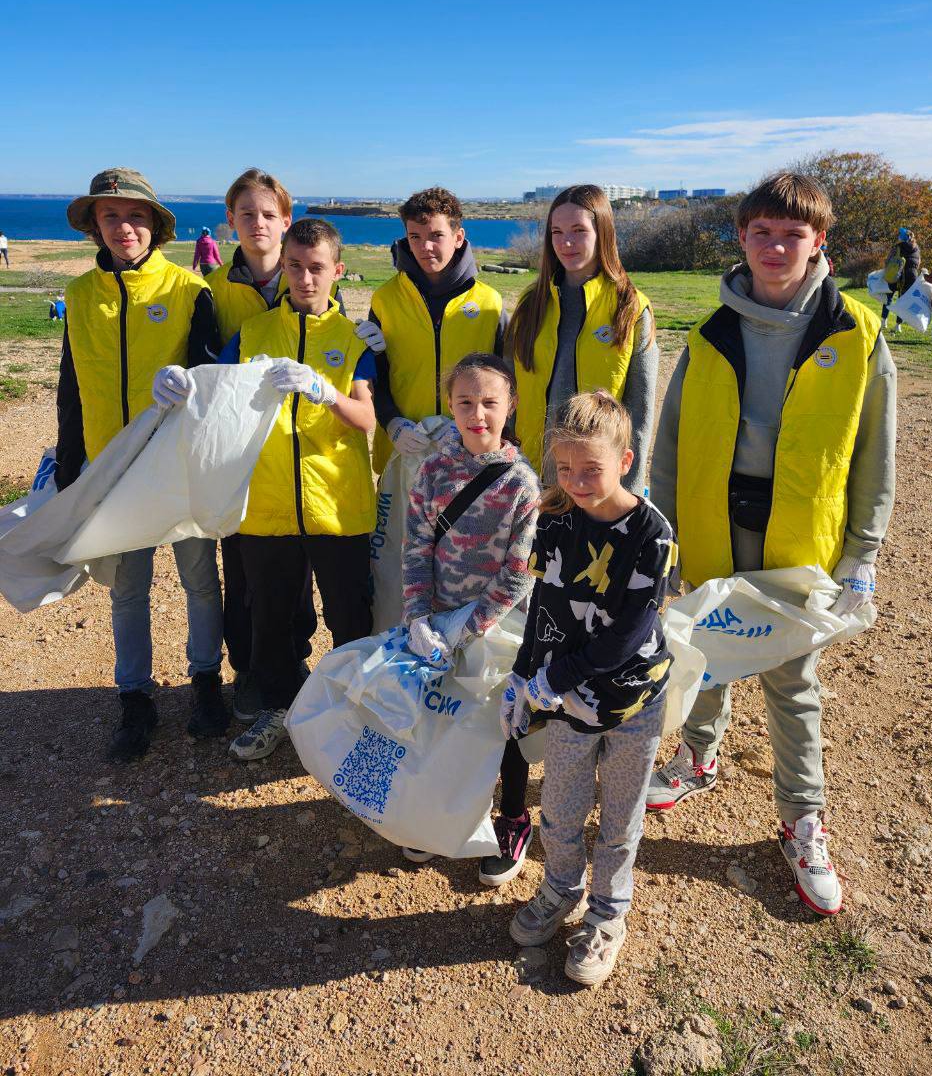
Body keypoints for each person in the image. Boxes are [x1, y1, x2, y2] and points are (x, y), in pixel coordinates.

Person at [646, 171, 897, 916]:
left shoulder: (856, 332)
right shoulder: (710, 332)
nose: (776, 247)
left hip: (801, 542)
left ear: (819, 243)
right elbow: (671, 441)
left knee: (793, 685)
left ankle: (802, 816)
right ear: (743, 240)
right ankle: (698, 754)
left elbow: (876, 455)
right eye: (762, 233)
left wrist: (865, 555)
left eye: (793, 235)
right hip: (714, 529)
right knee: (707, 658)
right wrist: (661, 540)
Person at [503, 391, 675, 987]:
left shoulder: (652, 533)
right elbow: (543, 604)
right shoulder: (553, 518)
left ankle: (607, 913)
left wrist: (555, 677)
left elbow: (627, 635)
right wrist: (524, 674)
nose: (576, 481)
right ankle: (560, 888)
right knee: (561, 805)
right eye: (566, 469)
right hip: (566, 701)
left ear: (625, 460)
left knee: (622, 816)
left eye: (592, 470)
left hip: (630, 700)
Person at [56, 168, 226, 761]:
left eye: (135, 216)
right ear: (95, 227)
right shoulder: (79, 297)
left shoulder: (187, 289)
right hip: (112, 468)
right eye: (111, 217)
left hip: (176, 469)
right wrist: (70, 465)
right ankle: (135, 697)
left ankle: (207, 681)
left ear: (154, 224)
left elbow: (210, 383)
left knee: (200, 581)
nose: (124, 227)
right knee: (127, 589)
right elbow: (70, 387)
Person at [205, 169, 373, 725]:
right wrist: (183, 384)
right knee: (271, 621)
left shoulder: (353, 341)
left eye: (317, 268)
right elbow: (214, 392)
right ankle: (276, 715)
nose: (304, 278)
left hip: (337, 507)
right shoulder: (253, 335)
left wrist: (326, 392)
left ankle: (354, 715)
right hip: (268, 506)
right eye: (296, 267)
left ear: (337, 272)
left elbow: (366, 417)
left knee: (350, 619)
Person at [400, 353, 540, 883]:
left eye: (489, 402)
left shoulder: (522, 484)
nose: (476, 413)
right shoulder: (433, 472)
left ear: (510, 406)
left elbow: (518, 573)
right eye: (465, 402)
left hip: (501, 628)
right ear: (450, 406)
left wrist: (470, 624)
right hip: (437, 623)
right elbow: (415, 548)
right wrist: (418, 617)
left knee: (504, 723)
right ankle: (445, 812)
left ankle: (512, 816)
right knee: (443, 717)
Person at [507, 185, 658, 495]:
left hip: (595, 484)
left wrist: (626, 496)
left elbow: (639, 415)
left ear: (602, 232)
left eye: (579, 230)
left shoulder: (630, 308)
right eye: (557, 232)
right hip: (529, 478)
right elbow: (509, 396)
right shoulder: (530, 305)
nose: (567, 242)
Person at [367, 187, 508, 475]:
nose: (424, 247)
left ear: (458, 237)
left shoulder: (488, 303)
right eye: (415, 237)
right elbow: (374, 372)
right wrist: (391, 421)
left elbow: (507, 381)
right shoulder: (385, 299)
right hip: (403, 450)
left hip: (471, 451)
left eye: (436, 236)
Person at [880, 226, 921, 333]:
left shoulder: (898, 247)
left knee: (888, 296)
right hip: (911, 276)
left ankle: (884, 320)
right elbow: (918, 263)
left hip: (896, 274)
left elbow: (888, 260)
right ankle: (898, 325)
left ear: (902, 237)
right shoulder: (916, 248)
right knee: (902, 300)